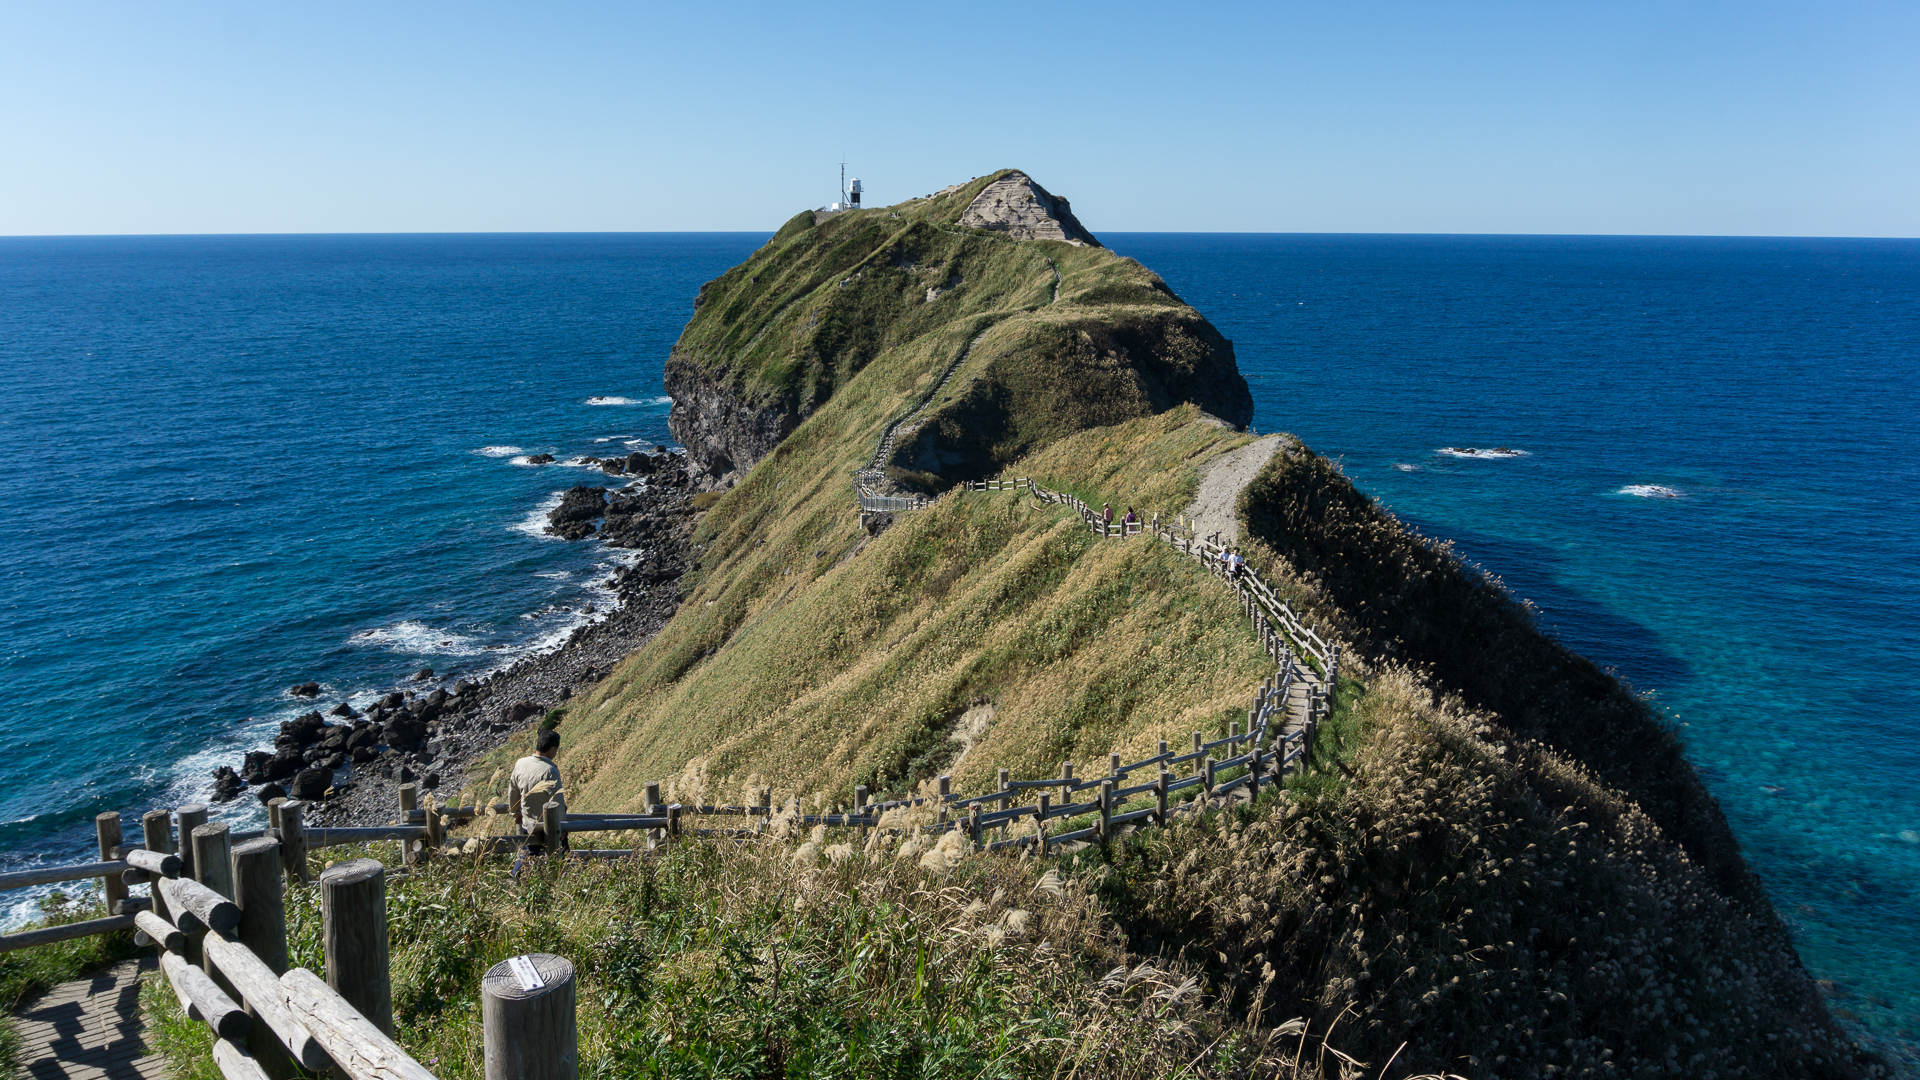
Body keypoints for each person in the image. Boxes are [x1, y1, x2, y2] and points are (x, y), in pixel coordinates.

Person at [509, 728, 568, 872]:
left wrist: (515, 812)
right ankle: (560, 881)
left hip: (527, 823)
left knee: (529, 854)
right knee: (562, 856)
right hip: (547, 825)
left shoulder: (520, 763)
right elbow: (557, 802)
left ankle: (518, 878)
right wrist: (562, 828)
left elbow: (513, 791)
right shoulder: (550, 771)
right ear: (552, 749)